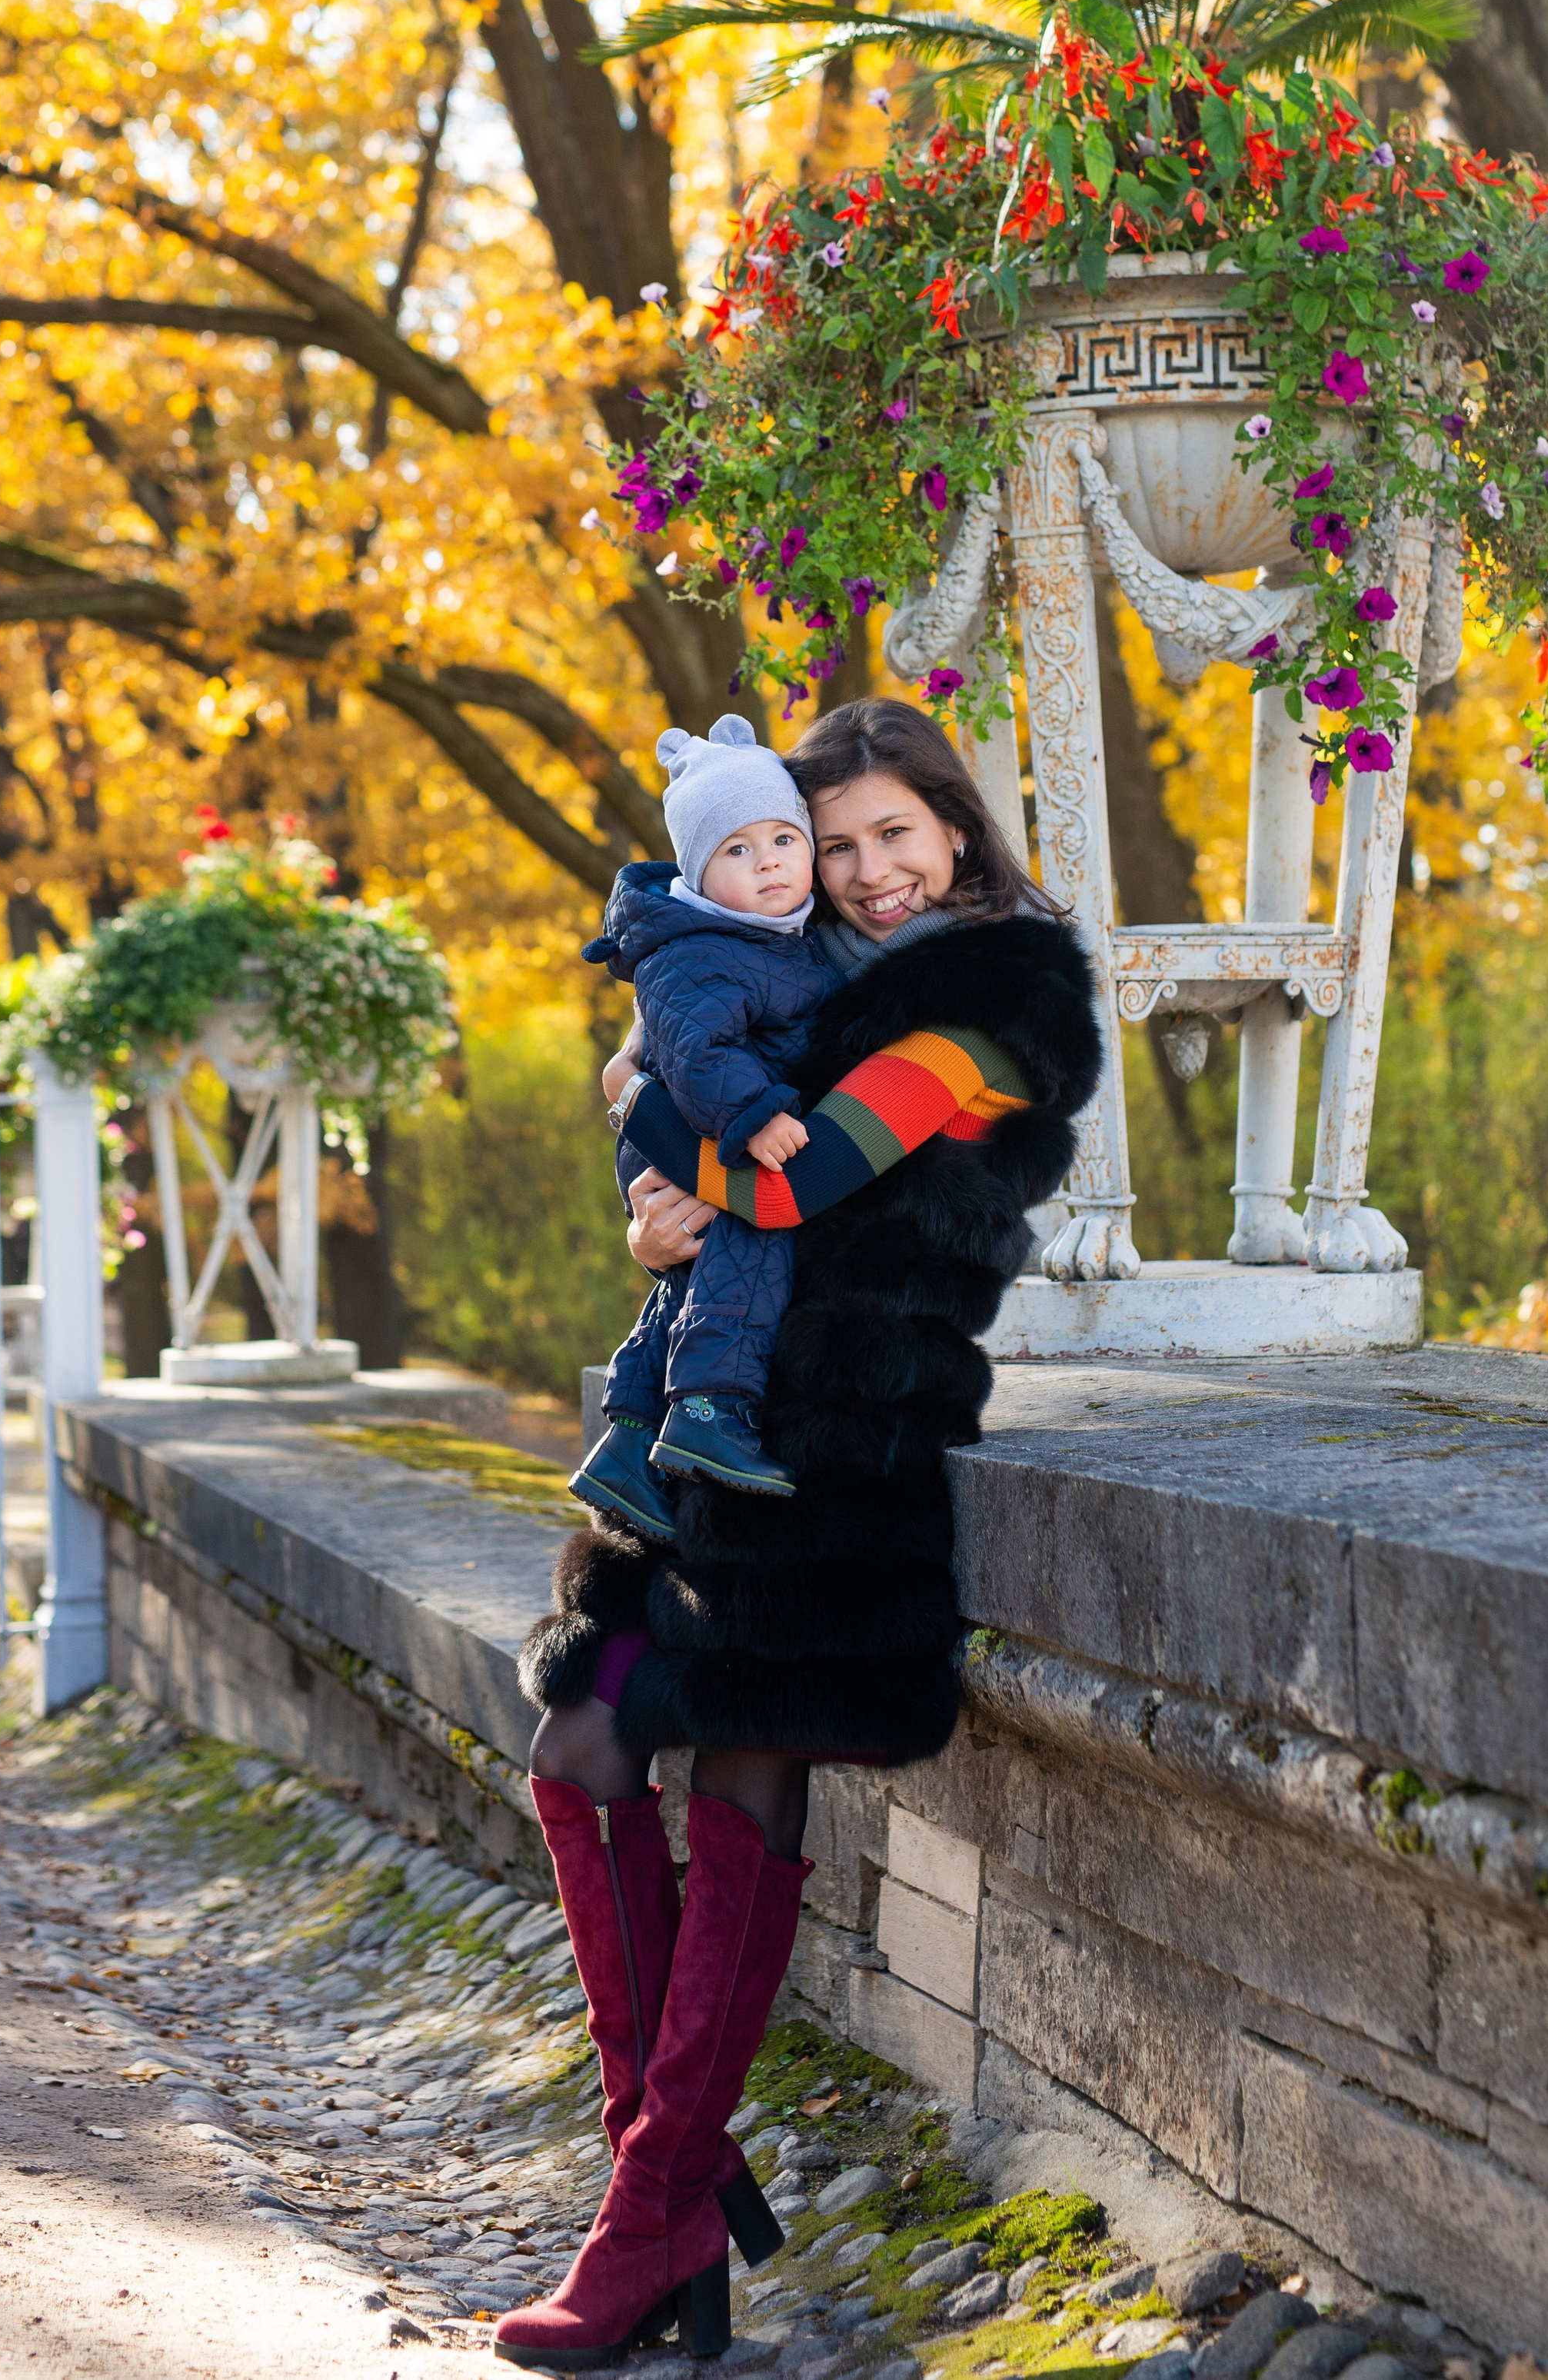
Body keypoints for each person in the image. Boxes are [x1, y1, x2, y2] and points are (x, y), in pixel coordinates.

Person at [493, 700, 1103, 2372]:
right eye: (833, 848)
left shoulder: (1004, 995)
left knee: (738, 1776)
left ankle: (644, 2213)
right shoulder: (802, 977)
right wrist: (650, 1194)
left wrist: (651, 1117)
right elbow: (717, 1168)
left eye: (892, 835)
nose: (863, 871)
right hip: (718, 1433)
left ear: (958, 832)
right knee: (577, 1746)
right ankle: (667, 2185)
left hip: (843, 1452)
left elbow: (796, 1177)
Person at [572, 714, 831, 1536]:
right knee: (752, 1243)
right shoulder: (701, 948)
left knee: (697, 1271)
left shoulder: (767, 935)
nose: (769, 865)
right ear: (698, 870)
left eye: (785, 840)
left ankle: (630, 1439)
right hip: (695, 1126)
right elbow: (693, 1048)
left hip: (687, 1125)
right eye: (738, 852)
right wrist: (754, 1115)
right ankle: (710, 1410)